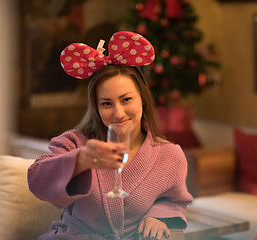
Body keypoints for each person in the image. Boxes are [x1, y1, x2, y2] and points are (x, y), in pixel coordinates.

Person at [28, 31, 193, 240]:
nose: (118, 113)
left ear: (142, 99)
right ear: (96, 108)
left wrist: (158, 216)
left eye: (126, 100)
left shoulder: (170, 155)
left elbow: (174, 200)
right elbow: (37, 180)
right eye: (106, 103)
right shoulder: (74, 143)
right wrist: (81, 160)